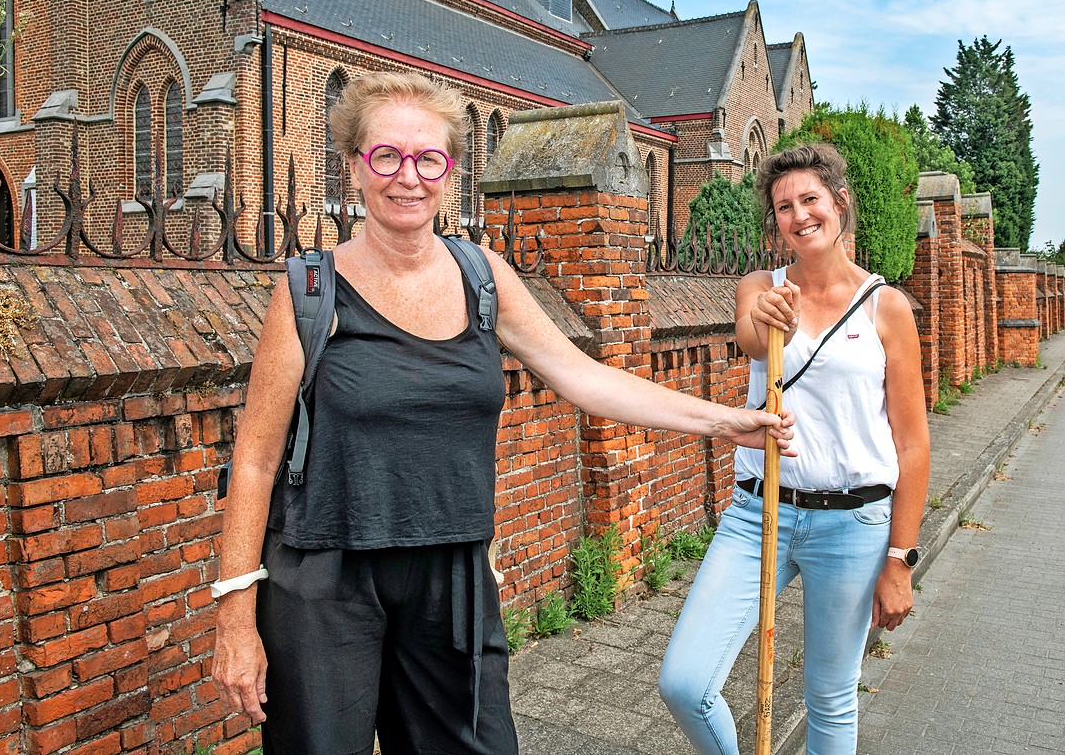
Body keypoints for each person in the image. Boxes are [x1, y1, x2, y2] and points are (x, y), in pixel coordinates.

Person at [209, 71, 795, 755]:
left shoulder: (480, 276)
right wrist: (235, 615)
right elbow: (252, 459)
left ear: (452, 171)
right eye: (387, 156)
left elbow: (585, 376)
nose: (408, 177)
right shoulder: (310, 291)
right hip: (324, 578)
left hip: (451, 576)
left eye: (429, 158)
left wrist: (724, 420)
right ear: (354, 168)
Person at [658, 142, 930, 754]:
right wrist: (769, 315)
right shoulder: (760, 286)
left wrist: (900, 560)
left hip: (855, 523)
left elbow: (912, 444)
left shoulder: (887, 308)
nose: (798, 215)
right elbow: (753, 343)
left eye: (809, 199)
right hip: (759, 514)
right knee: (684, 681)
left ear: (839, 204)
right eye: (783, 207)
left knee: (831, 700)